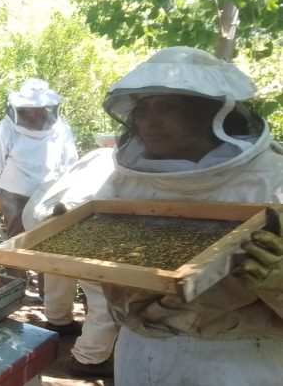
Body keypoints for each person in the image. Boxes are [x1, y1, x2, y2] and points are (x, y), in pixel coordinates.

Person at [23, 46, 283, 383]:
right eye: (143, 109)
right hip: (137, 348)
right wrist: (71, 236)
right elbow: (110, 274)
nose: (149, 121)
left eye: (169, 107)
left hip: (236, 358)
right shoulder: (127, 179)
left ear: (211, 114)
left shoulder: (271, 180)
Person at [0, 78, 79, 282]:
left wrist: (68, 191)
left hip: (49, 194)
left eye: (39, 107)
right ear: (21, 107)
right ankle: (15, 286)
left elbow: (70, 161)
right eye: (29, 108)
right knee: (16, 241)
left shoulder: (61, 128)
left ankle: (47, 291)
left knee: (49, 241)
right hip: (15, 193)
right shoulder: (6, 128)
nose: (35, 112)